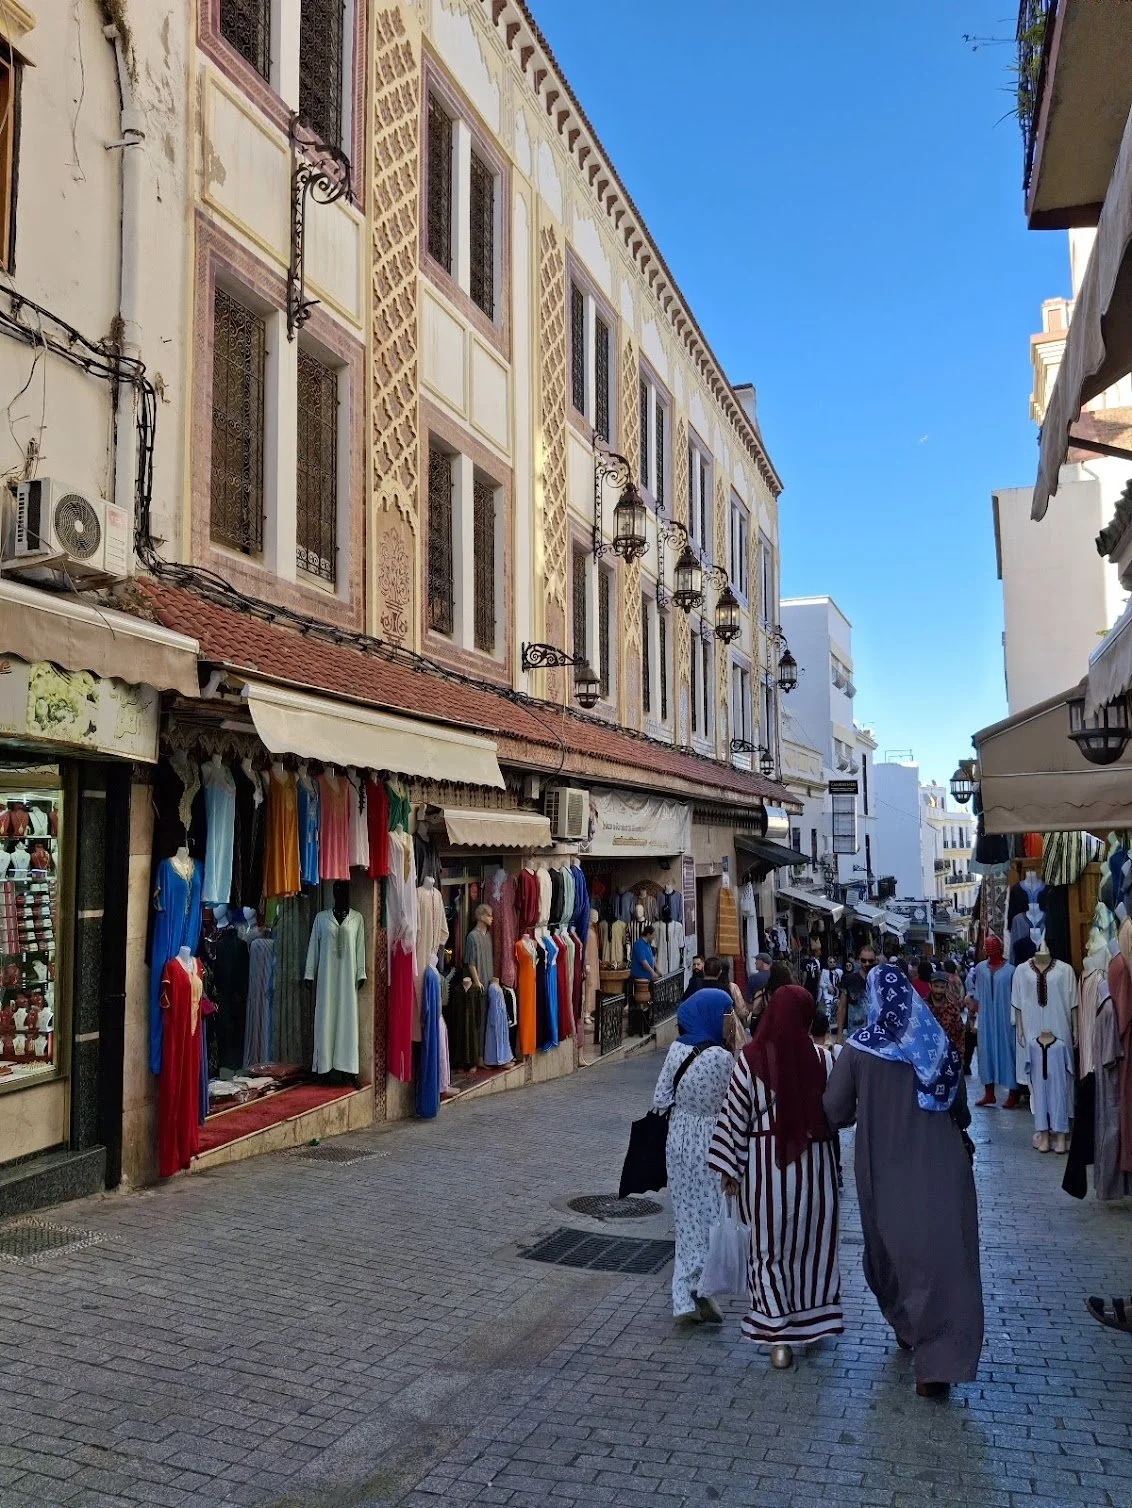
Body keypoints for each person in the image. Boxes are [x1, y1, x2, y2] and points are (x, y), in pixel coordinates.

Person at [823, 963, 984, 1398]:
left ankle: (907, 1327)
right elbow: (961, 1109)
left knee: (892, 1254)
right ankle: (937, 1366)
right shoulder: (937, 1044)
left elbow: (834, 1110)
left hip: (885, 1170)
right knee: (947, 1260)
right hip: (945, 1169)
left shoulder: (860, 1049)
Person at [708, 985, 843, 1370]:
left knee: (767, 1252)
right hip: (815, 1168)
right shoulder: (824, 1059)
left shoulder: (750, 1060)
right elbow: (838, 1113)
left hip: (765, 1168)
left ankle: (778, 1336)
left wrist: (730, 1172)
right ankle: (812, 1323)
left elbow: (734, 1117)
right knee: (810, 1247)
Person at [652, 989, 736, 1327]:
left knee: (686, 1218)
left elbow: (659, 1099)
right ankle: (704, 1286)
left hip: (677, 1140)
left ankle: (684, 1296)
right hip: (711, 1142)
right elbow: (734, 1104)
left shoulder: (676, 1050)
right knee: (711, 1215)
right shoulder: (722, 1058)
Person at [836, 943, 876, 1043]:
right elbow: (842, 1007)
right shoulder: (849, 979)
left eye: (870, 961)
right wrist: (839, 1034)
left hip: (874, 1034)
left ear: (875, 960)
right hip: (854, 1034)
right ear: (859, 960)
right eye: (864, 960)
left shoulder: (879, 981)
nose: (867, 963)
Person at [927, 968, 965, 1058]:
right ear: (930, 985)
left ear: (946, 987)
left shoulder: (953, 1009)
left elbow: (960, 1035)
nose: (939, 991)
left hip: (948, 1058)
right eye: (936, 986)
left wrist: (960, 1058)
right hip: (927, 1059)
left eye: (942, 987)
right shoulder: (923, 1008)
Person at [800, 936, 823, 1002]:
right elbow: (819, 972)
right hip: (815, 983)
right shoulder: (815, 961)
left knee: (807, 999)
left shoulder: (804, 963)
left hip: (808, 983)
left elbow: (804, 974)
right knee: (814, 999)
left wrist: (803, 985)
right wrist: (818, 983)